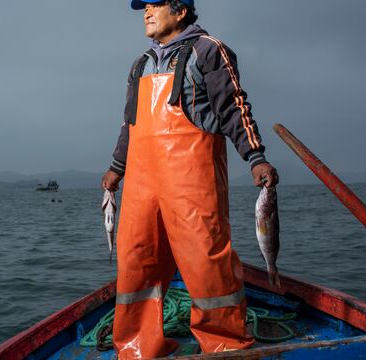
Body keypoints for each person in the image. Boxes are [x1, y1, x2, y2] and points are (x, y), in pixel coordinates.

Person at [101, 0, 279, 358]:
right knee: (137, 261)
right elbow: (129, 123)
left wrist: (255, 156)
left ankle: (225, 344)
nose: (146, 12)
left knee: (205, 260)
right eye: (143, 6)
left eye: (155, 4)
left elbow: (233, 107)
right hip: (140, 183)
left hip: (192, 181)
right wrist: (117, 167)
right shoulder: (140, 65)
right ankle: (138, 347)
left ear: (180, 10)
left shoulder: (208, 50)